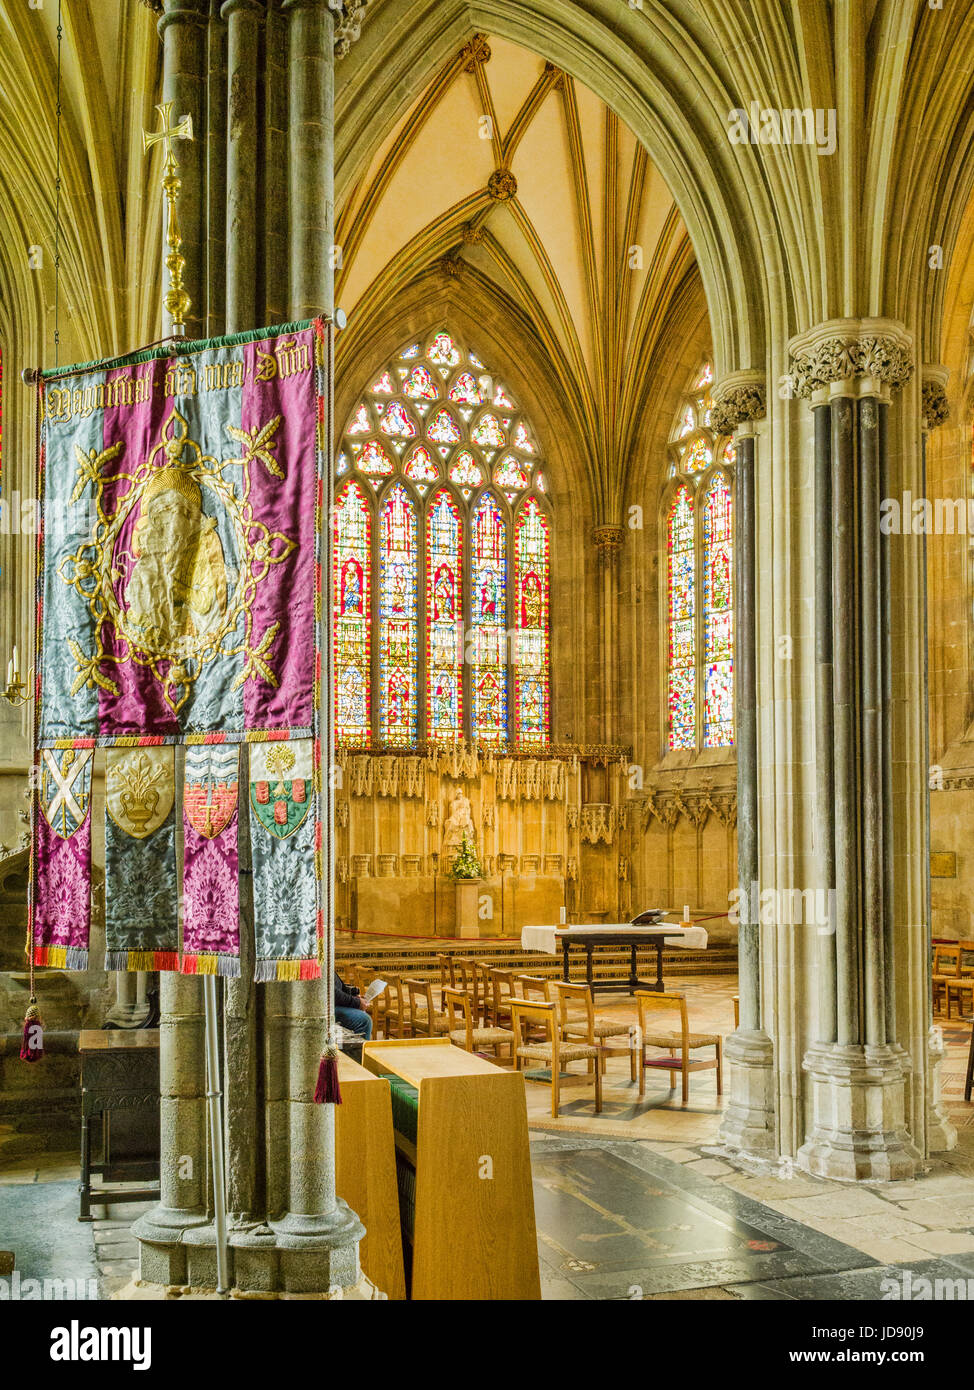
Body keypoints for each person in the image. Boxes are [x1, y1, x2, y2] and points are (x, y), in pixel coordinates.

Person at [334, 970, 372, 1041]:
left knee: (361, 1014)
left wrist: (354, 996)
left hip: (334, 1004)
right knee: (364, 1020)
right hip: (325, 1008)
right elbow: (333, 992)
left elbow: (339, 986)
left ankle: (349, 1050)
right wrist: (356, 1002)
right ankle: (356, 1051)